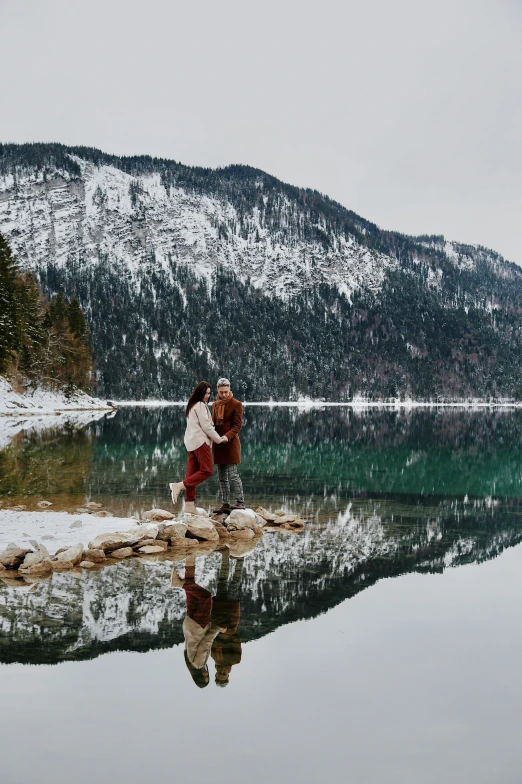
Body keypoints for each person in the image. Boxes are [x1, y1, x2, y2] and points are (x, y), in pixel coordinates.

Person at [169, 381, 227, 515]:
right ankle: (179, 486)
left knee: (192, 473)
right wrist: (219, 440)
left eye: (208, 393)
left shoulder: (192, 405)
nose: (207, 396)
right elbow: (206, 427)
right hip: (200, 442)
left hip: (190, 443)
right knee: (206, 470)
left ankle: (189, 505)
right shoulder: (200, 406)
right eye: (205, 393)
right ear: (199, 392)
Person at [171, 555, 225, 689]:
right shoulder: (189, 662)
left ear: (199, 675)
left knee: (206, 597)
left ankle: (179, 583)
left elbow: (206, 643)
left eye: (205, 676)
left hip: (199, 626)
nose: (207, 673)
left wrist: (218, 629)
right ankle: (190, 558)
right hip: (189, 624)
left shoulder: (199, 664)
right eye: (208, 676)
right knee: (192, 591)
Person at [211, 378, 245, 515]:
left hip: (231, 444)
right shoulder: (214, 405)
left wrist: (227, 436)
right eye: (221, 392)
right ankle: (225, 504)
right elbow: (212, 423)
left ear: (229, 389)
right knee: (221, 477)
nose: (224, 395)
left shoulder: (236, 404)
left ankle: (240, 502)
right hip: (218, 445)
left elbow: (238, 425)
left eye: (226, 392)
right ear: (217, 391)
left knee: (233, 475)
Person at [211, 549, 244, 688]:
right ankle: (240, 559)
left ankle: (225, 555)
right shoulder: (235, 660)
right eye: (224, 674)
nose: (222, 672)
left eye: (220, 674)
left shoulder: (213, 657)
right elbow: (236, 639)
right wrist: (226, 631)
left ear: (216, 674)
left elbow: (211, 638)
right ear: (228, 675)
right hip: (230, 615)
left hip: (218, 612)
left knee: (222, 581)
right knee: (234, 584)